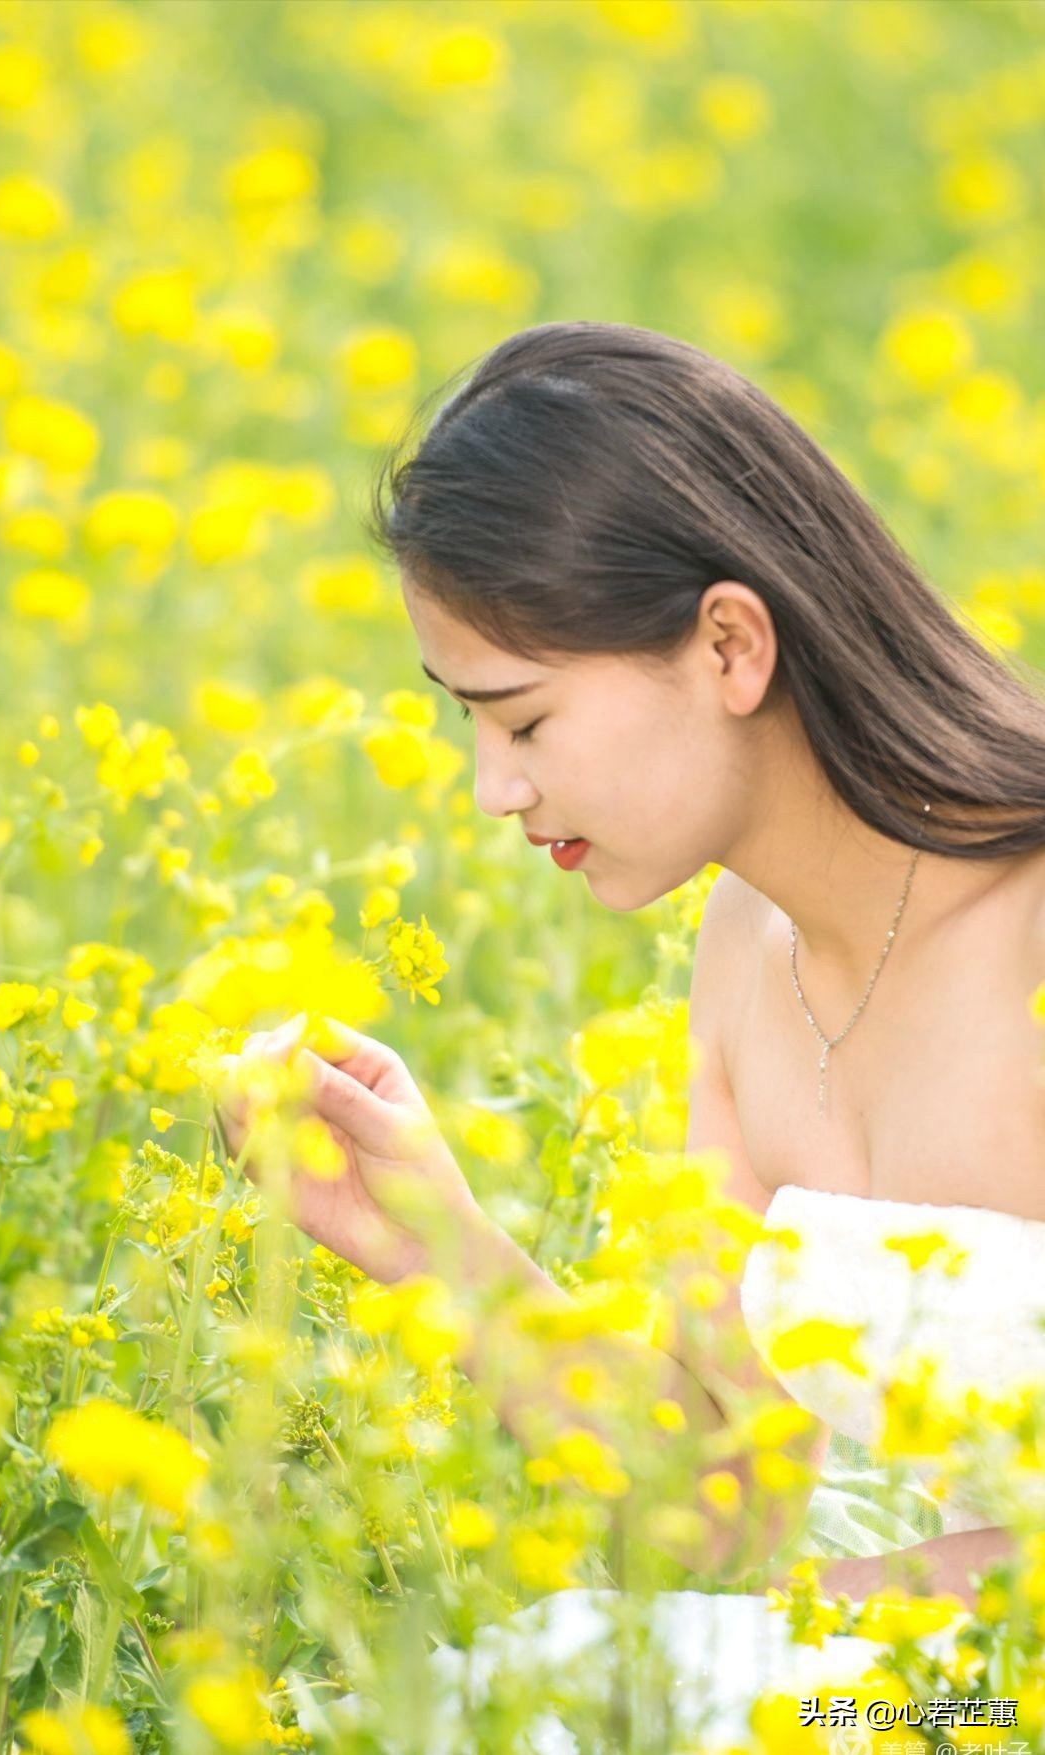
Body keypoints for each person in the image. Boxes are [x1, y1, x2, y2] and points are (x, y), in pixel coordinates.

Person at [215, 322, 1045, 1751]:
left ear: (730, 644)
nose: (491, 791)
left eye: (523, 722)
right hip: (912, 1685)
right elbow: (725, 1503)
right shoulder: (742, 953)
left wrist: (849, 1619)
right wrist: (436, 1241)